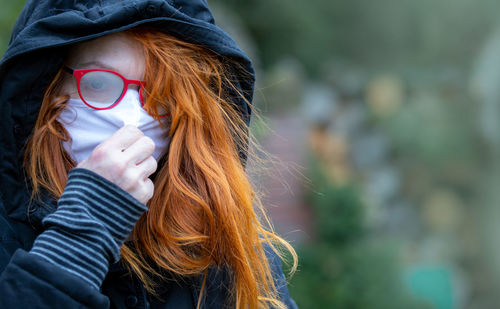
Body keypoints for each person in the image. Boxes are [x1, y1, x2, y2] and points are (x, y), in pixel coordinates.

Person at [0, 1, 298, 308]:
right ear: (44, 89)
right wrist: (85, 229)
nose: (132, 119)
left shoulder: (223, 241)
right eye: (99, 82)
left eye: (161, 93)